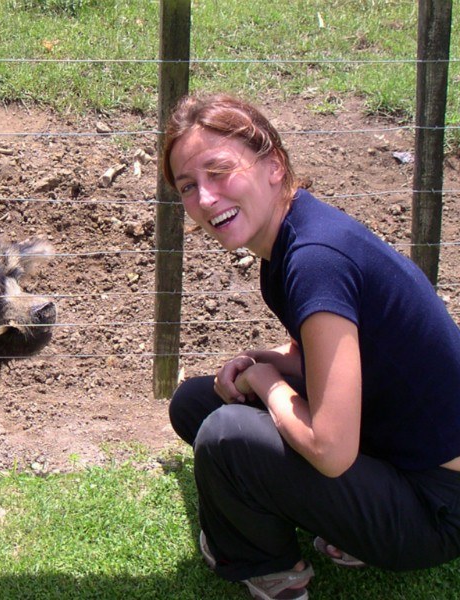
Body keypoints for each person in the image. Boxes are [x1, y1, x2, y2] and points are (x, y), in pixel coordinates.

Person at [163, 93, 460, 600]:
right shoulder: (293, 239)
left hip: (434, 507)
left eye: (219, 172)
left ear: (274, 165)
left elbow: (330, 450)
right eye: (189, 186)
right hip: (396, 450)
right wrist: (267, 359)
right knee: (196, 403)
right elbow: (343, 354)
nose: (206, 199)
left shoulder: (314, 260)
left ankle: (271, 570)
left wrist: (266, 380)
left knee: (227, 434)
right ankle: (338, 519)